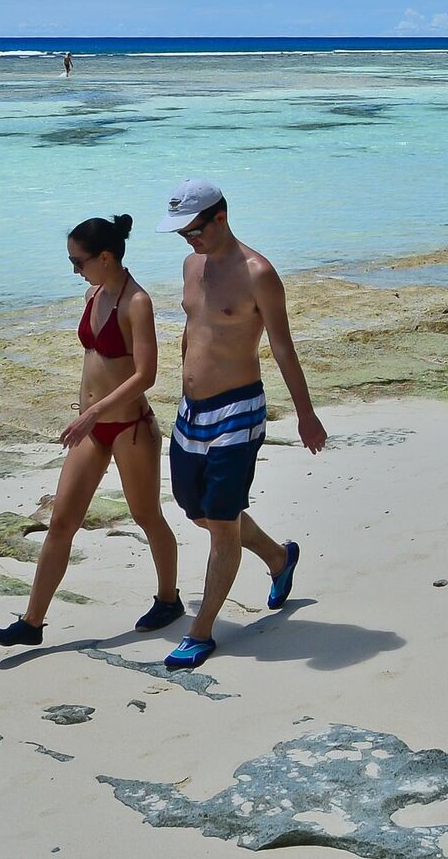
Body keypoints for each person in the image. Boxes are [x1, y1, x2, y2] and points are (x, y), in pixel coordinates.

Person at [0, 215, 184, 647]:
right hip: (91, 431)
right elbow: (95, 362)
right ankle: (31, 622)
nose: (75, 270)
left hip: (130, 427)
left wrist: (93, 413)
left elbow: (146, 375)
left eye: (79, 261)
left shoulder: (138, 303)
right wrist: (87, 413)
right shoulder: (95, 294)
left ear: (106, 257)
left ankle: (169, 599)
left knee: (146, 516)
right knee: (61, 522)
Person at [154, 179, 325, 669]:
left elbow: (282, 346)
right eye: (183, 233)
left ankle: (201, 631)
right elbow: (193, 329)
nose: (189, 240)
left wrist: (306, 415)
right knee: (199, 511)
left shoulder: (258, 274)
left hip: (237, 413)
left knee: (221, 525)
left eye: (194, 231)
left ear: (220, 218)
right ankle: (278, 557)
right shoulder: (191, 264)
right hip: (191, 413)